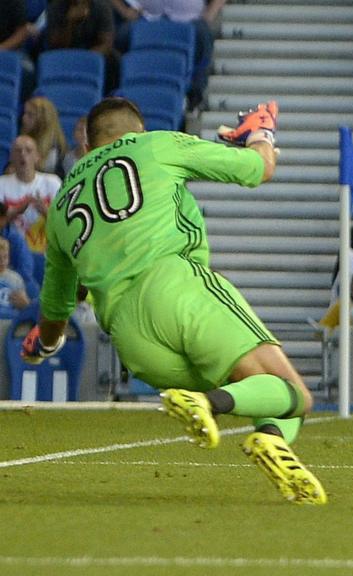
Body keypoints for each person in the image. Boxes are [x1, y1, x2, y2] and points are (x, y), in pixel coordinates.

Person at [21, 98, 327, 504]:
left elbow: (57, 309)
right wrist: (262, 133)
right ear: (139, 131)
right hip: (175, 286)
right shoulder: (156, 146)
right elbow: (259, 168)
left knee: (259, 387)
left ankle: (273, 441)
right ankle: (210, 404)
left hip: (130, 339)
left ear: (87, 148)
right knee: (294, 392)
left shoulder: (60, 205)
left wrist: (44, 344)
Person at [0, 135, 61, 254]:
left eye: (28, 150)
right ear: (11, 156)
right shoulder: (1, 184)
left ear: (37, 156)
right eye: (18, 150)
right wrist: (17, 211)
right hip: (12, 253)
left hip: (47, 251)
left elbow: (66, 224)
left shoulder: (52, 183)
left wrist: (45, 211)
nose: (23, 154)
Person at [46, 0, 119, 94]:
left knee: (114, 59)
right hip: (66, 55)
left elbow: (106, 43)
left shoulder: (102, 6)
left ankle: (108, 99)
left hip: (94, 54)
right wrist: (70, 23)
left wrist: (84, 60)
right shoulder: (55, 7)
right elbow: (56, 46)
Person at [20, 97, 68, 178]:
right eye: (24, 113)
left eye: (30, 115)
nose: (23, 118)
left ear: (43, 119)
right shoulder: (21, 141)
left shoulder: (56, 149)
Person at [0, 237, 30, 316]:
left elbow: (25, 304)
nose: (2, 261)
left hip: (11, 319)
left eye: (5, 257)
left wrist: (25, 303)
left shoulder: (15, 278)